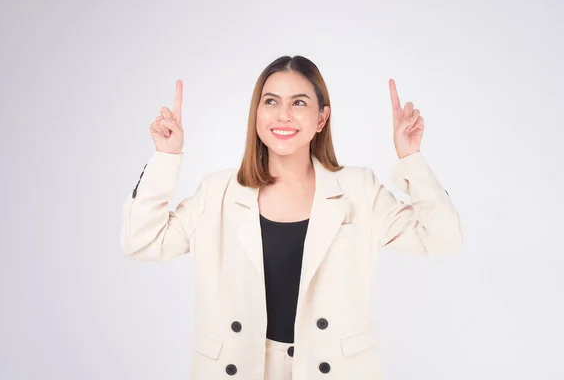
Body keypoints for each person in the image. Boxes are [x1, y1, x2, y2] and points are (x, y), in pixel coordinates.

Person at [120, 55, 463, 380]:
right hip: (238, 366)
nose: (283, 115)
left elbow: (443, 237)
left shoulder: (358, 188)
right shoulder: (218, 192)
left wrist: (411, 157)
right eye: (270, 102)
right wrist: (166, 157)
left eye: (299, 102)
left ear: (321, 119)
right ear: (256, 114)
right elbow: (142, 241)